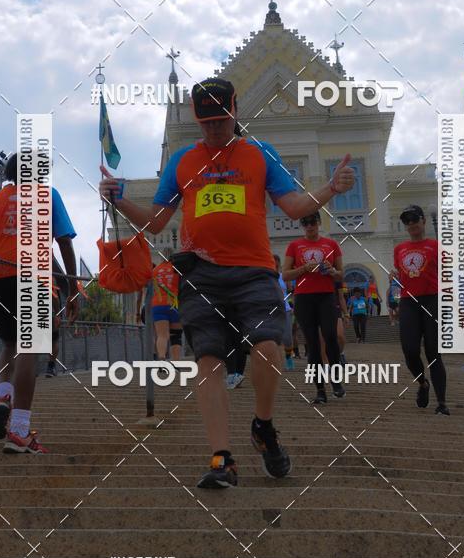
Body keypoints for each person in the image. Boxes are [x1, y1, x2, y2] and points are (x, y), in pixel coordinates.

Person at [99, 77, 355, 488]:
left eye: (221, 119)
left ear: (235, 111)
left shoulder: (259, 154)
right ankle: (222, 458)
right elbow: (158, 221)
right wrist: (119, 200)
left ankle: (263, 425)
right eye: (206, 122)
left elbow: (293, 206)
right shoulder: (182, 162)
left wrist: (330, 188)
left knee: (269, 348)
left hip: (254, 270)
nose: (214, 128)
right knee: (209, 362)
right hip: (200, 273)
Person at [0, 153, 78, 453]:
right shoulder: (48, 195)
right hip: (32, 274)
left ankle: (2, 396)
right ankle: (20, 431)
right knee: (29, 348)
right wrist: (71, 287)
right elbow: (63, 242)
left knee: (10, 343)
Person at [283, 212, 345, 405]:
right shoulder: (294, 246)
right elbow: (285, 275)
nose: (309, 226)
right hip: (304, 298)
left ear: (318, 222)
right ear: (302, 225)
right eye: (305, 222)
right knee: (312, 344)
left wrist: (333, 271)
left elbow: (340, 274)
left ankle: (335, 380)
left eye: (312, 222)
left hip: (326, 296)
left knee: (330, 336)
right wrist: (303, 269)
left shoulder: (331, 244)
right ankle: (320, 390)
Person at [394, 204, 449, 415]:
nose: (411, 224)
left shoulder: (436, 246)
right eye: (406, 221)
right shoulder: (399, 249)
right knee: (409, 350)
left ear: (423, 221)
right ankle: (422, 384)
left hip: (433, 300)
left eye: (414, 219)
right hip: (409, 302)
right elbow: (403, 274)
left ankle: (442, 403)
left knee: (434, 352)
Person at [151, 259, 183, 365]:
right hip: (174, 303)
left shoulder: (155, 270)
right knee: (176, 336)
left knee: (161, 335)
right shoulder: (177, 268)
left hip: (158, 304)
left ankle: (161, 359)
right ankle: (176, 363)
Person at [274, 254, 295, 371]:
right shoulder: (266, 276)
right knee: (274, 337)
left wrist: (292, 306)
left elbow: (291, 292)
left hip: (285, 309)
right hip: (270, 310)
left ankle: (288, 358)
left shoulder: (284, 277)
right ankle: (276, 361)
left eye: (276, 262)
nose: (274, 264)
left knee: (287, 337)